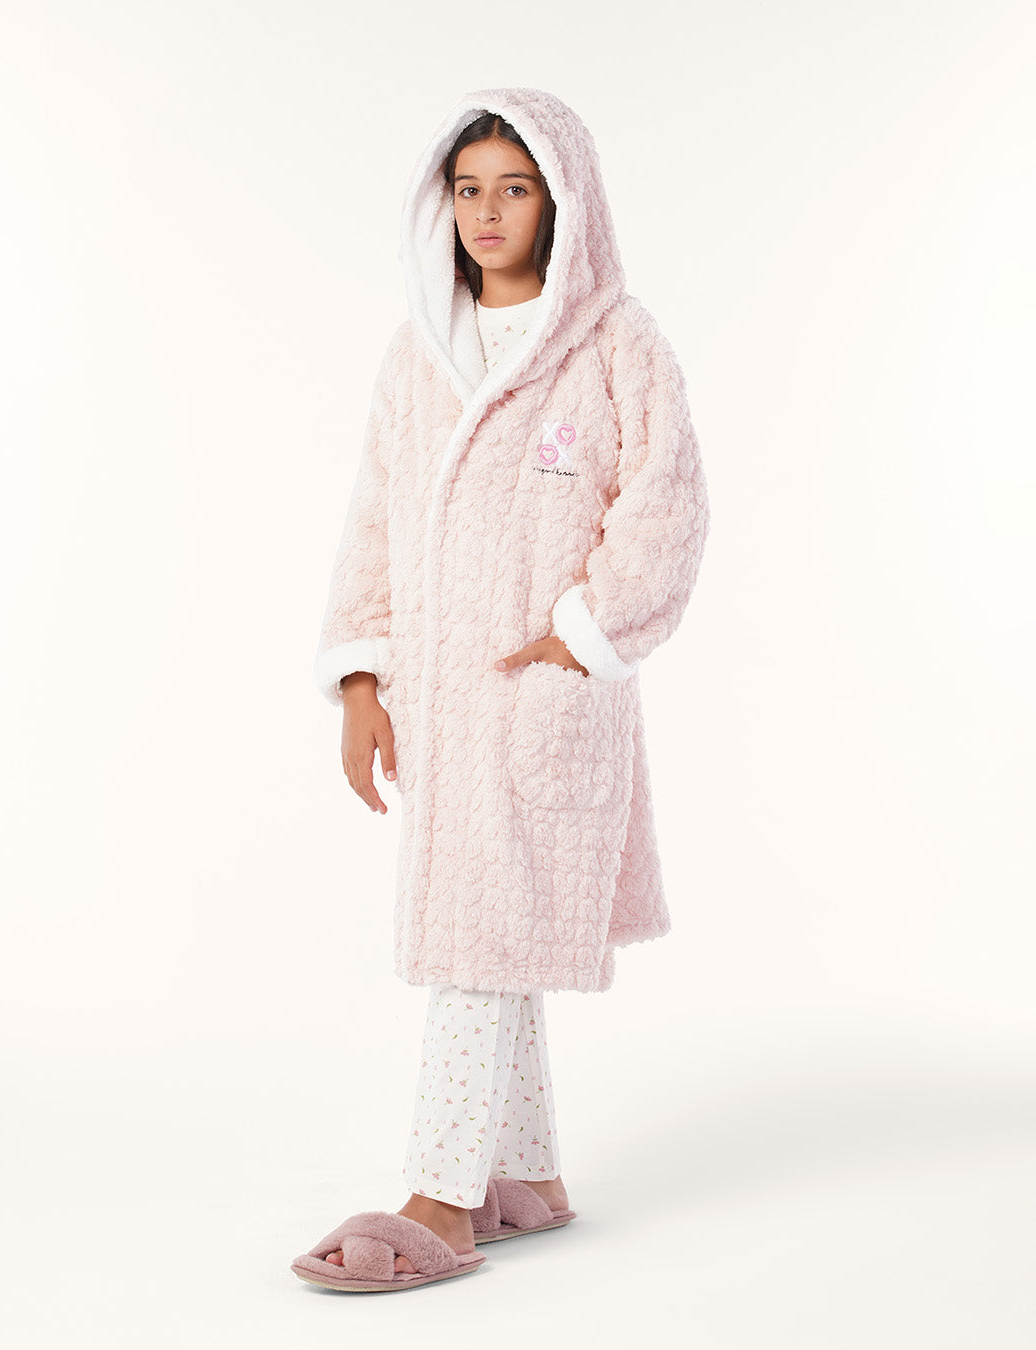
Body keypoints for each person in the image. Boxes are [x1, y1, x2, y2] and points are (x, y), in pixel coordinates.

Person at [291, 87, 711, 1293]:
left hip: (541, 704)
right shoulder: (418, 351)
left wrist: (584, 636)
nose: (486, 212)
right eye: (468, 188)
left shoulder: (616, 343)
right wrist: (362, 676)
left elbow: (669, 502)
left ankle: (439, 1194)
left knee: (479, 933)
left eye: (514, 189)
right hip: (439, 702)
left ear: (561, 202)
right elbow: (375, 518)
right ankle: (524, 1175)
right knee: (487, 923)